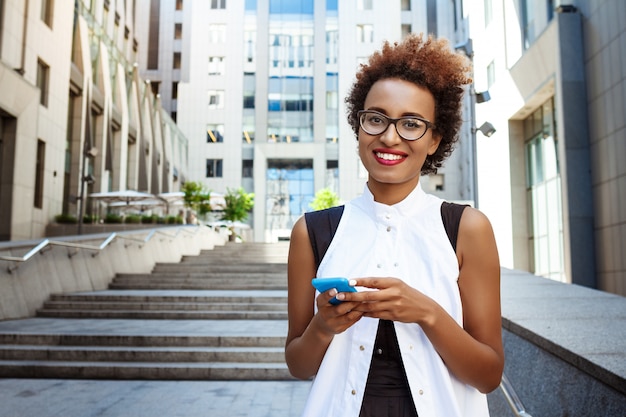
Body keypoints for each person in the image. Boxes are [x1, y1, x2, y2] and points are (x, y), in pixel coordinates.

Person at [285, 33, 504, 417]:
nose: (389, 137)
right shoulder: (312, 232)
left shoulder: (467, 228)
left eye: (412, 124)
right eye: (376, 119)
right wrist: (324, 325)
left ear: (435, 139)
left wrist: (425, 311)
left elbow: (488, 376)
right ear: (359, 126)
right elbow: (298, 366)